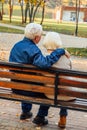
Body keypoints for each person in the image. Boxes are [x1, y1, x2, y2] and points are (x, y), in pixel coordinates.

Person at [9, 23, 70, 126]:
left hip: (15, 87)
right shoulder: (33, 50)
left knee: (26, 81)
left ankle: (26, 112)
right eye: (40, 35)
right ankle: (40, 117)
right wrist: (60, 51)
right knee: (47, 89)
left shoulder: (16, 46)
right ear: (36, 38)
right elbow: (45, 63)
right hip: (28, 90)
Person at [39, 31, 72, 128]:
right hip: (65, 94)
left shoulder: (43, 58)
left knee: (48, 88)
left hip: (49, 93)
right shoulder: (66, 57)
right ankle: (63, 116)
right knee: (63, 88)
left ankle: (41, 115)